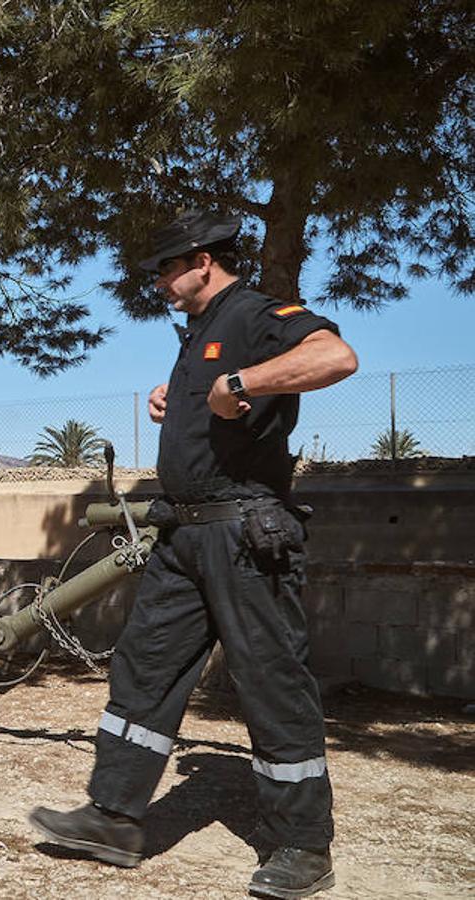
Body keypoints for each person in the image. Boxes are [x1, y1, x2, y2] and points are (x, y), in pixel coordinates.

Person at [28, 209, 358, 899]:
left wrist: (239, 385)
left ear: (203, 261)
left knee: (271, 683)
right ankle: (113, 818)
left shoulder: (255, 312)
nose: (161, 283)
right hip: (183, 536)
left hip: (243, 535)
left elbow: (335, 357)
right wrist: (171, 400)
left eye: (168, 269)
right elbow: (209, 404)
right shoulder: (200, 333)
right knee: (143, 668)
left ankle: (303, 847)